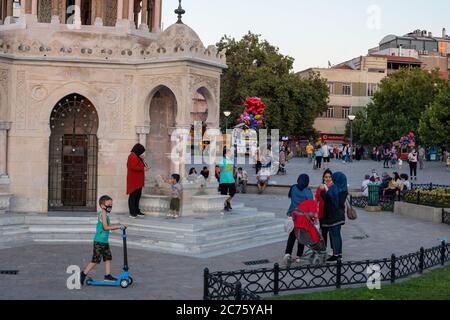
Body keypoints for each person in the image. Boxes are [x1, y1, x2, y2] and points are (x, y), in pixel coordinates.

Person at [80, 196, 127, 286]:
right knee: (95, 260)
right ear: (102, 205)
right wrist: (118, 226)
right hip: (99, 241)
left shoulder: (106, 214)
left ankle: (108, 276)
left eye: (111, 205)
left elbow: (108, 226)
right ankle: (83, 273)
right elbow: (105, 227)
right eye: (108, 205)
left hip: (104, 241)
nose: (110, 206)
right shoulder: (103, 214)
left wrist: (118, 225)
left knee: (108, 258)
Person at [283, 174, 314, 265]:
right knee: (301, 237)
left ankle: (287, 254)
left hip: (293, 216)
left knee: (292, 237)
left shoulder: (293, 188)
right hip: (303, 218)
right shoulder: (308, 192)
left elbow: (290, 196)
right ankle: (298, 256)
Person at [320, 172, 348, 262]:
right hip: (340, 214)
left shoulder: (335, 188)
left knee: (334, 235)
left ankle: (336, 255)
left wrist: (322, 190)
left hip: (334, 215)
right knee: (337, 235)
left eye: (333, 178)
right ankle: (339, 254)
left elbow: (327, 197)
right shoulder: (343, 189)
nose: (332, 179)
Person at [127, 143, 149, 219]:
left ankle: (136, 211)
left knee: (137, 196)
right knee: (133, 197)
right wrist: (143, 169)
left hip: (138, 181)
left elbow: (141, 165)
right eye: (142, 151)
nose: (142, 153)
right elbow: (133, 167)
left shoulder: (137, 156)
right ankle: (132, 213)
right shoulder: (132, 156)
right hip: (134, 181)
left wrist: (142, 159)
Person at [315, 169, 333, 249]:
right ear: (323, 178)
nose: (328, 179)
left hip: (331, 213)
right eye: (326, 177)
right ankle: (324, 249)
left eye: (329, 177)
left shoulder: (333, 187)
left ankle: (334, 251)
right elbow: (317, 199)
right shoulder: (320, 187)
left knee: (332, 233)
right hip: (322, 213)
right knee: (323, 233)